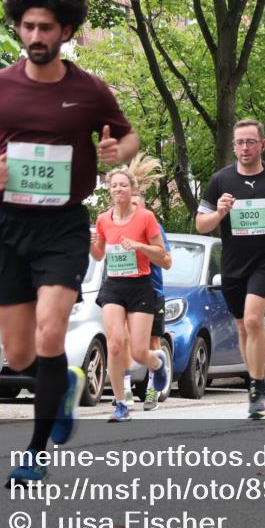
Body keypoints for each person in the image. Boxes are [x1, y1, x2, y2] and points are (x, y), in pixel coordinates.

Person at [0, 0, 139, 486]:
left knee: (51, 330)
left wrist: (115, 152)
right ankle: (63, 382)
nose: (36, 36)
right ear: (18, 27)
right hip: (9, 223)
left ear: (67, 30)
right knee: (18, 353)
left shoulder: (89, 90)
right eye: (28, 26)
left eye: (46, 28)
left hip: (63, 225)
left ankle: (35, 453)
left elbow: (129, 138)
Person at [196, 119, 265, 419]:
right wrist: (220, 212)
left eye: (250, 142)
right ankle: (262, 383)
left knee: (255, 319)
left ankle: (257, 389)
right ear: (234, 146)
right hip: (233, 264)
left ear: (262, 145)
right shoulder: (220, 180)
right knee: (243, 327)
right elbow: (201, 224)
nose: (244, 148)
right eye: (239, 142)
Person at [89, 157, 168, 422]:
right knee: (114, 344)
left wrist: (140, 246)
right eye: (114, 185)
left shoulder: (146, 217)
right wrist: (91, 243)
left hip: (140, 286)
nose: (118, 189)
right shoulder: (103, 219)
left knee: (138, 352)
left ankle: (157, 362)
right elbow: (99, 255)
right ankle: (121, 404)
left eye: (123, 185)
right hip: (114, 285)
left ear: (132, 189)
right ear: (109, 190)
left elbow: (163, 255)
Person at [133, 188, 173, 410]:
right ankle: (124, 390)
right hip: (125, 289)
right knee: (122, 341)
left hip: (152, 290)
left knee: (151, 341)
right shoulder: (117, 224)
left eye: (136, 205)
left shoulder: (154, 227)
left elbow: (166, 261)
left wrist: (142, 248)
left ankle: (151, 391)